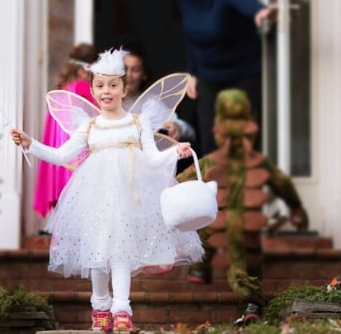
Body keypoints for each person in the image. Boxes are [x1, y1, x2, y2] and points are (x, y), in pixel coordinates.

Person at [11, 48, 203, 332]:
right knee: (98, 251)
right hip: (94, 196)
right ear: (92, 90)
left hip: (130, 196)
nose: (106, 91)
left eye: (113, 85)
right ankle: (100, 305)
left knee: (121, 250)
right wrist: (31, 143)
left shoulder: (138, 123)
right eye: (100, 85)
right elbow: (62, 155)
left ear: (124, 89)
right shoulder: (89, 127)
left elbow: (152, 158)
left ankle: (122, 308)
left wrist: (175, 153)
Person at [176, 88, 308, 326]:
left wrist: (296, 208)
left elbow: (281, 184)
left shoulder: (255, 163)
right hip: (215, 220)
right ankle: (201, 266)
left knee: (242, 258)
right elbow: (180, 181)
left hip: (243, 224)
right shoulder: (210, 162)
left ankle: (251, 303)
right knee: (200, 236)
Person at [162, 0, 275, 154]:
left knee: (244, 139)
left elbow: (243, 2)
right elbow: (192, 38)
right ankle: (215, 187)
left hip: (242, 72)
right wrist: (192, 73)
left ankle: (244, 186)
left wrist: (261, 12)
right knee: (210, 141)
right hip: (208, 75)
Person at [32, 43, 98, 219]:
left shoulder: (62, 89)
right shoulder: (84, 88)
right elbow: (98, 115)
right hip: (77, 146)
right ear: (87, 69)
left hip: (61, 144)